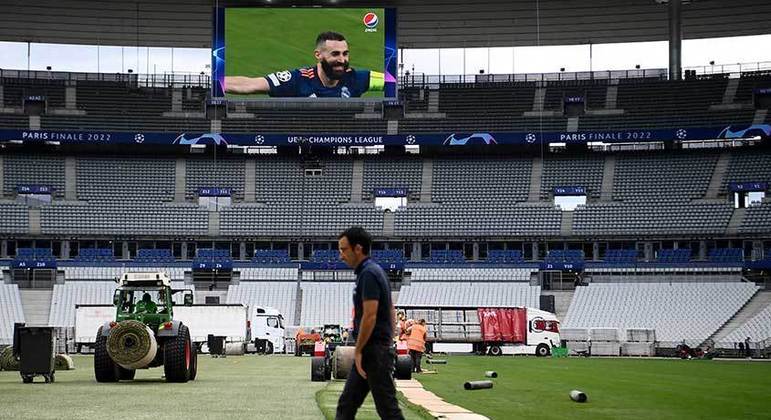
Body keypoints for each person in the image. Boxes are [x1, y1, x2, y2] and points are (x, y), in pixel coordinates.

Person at [335, 226, 404, 420]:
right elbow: (391, 309)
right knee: (346, 405)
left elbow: (370, 315)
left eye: (343, 249)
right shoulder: (374, 271)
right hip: (375, 351)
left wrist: (358, 350)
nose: (341, 256)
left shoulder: (368, 274)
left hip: (373, 353)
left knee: (388, 410)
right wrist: (388, 340)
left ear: (358, 248)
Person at [225, 31, 384, 98]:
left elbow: (391, 81)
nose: (342, 60)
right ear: (318, 55)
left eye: (345, 53)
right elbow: (251, 84)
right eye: (335, 54)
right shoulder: (298, 79)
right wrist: (215, 83)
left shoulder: (357, 78)